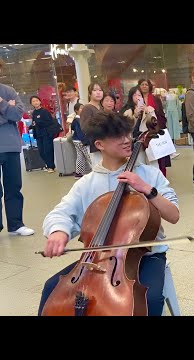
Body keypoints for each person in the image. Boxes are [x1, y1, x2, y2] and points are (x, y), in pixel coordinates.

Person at [38, 111, 180, 316]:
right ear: (99, 144)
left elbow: (174, 215)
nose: (126, 140)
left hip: (147, 256)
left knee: (149, 298)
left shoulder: (149, 174)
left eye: (127, 134)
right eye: (117, 137)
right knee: (52, 287)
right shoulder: (87, 183)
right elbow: (61, 213)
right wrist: (58, 231)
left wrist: (147, 189)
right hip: (96, 258)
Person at [0, 59, 35, 236]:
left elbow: (17, 114)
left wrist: (2, 103)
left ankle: (15, 225)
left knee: (13, 187)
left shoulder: (9, 91)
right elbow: (10, 115)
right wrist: (7, 111)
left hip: (11, 146)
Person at [138, 79, 172, 176]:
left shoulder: (155, 99)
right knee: (145, 158)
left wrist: (161, 129)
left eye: (146, 84)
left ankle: (161, 177)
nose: (144, 86)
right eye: (142, 84)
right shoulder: (137, 99)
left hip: (156, 131)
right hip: (142, 133)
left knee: (159, 156)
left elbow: (161, 114)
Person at [29, 96, 60, 173]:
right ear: (31, 104)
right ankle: (48, 164)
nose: (35, 102)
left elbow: (49, 122)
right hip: (38, 135)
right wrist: (32, 126)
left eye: (37, 100)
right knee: (41, 151)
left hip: (46, 134)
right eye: (33, 101)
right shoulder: (34, 113)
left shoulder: (44, 111)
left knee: (48, 150)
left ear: (40, 102)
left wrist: (38, 122)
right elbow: (34, 123)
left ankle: (51, 166)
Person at [70, 102, 92, 180]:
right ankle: (94, 170)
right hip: (80, 141)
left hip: (76, 140)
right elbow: (80, 132)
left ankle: (79, 172)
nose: (83, 109)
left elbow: (72, 129)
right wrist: (84, 141)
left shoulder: (75, 120)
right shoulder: (78, 120)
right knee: (88, 156)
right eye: (81, 108)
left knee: (80, 156)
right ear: (76, 110)